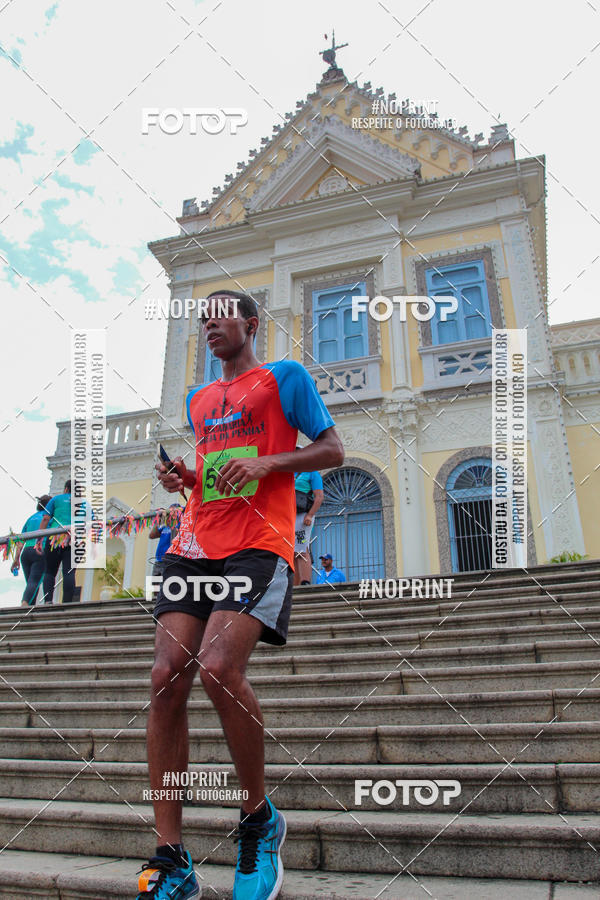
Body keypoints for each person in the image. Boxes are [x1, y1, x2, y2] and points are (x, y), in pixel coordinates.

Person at [137, 290, 344, 900]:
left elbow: (333, 449)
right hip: (196, 540)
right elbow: (212, 469)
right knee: (166, 673)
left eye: (221, 317)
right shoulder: (199, 399)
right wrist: (186, 477)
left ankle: (259, 820)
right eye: (202, 321)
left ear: (251, 324)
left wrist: (269, 465)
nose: (209, 327)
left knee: (220, 668)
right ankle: (172, 857)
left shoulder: (286, 378)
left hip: (259, 540)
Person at [35, 479, 76, 604]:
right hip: (73, 538)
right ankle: (67, 602)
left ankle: (48, 601)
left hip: (54, 537)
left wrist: (39, 540)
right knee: (69, 571)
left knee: (50, 571)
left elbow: (46, 518)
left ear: (66, 489)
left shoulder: (56, 499)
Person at [12, 495, 51, 606]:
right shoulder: (48, 517)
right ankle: (24, 604)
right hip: (39, 550)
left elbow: (21, 541)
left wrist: (16, 559)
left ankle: (29, 606)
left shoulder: (30, 518)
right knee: (34, 581)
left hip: (26, 553)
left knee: (31, 582)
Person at [293, 465, 324, 585]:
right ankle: (294, 584)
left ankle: (304, 581)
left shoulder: (312, 473)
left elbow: (319, 496)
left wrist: (310, 515)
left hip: (303, 514)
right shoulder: (290, 472)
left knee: (301, 547)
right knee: (292, 550)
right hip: (289, 514)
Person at [148, 504, 181, 596]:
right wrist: (158, 520)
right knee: (156, 585)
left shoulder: (180, 524)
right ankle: (156, 603)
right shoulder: (164, 525)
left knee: (168, 585)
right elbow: (151, 535)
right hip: (159, 559)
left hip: (171, 559)